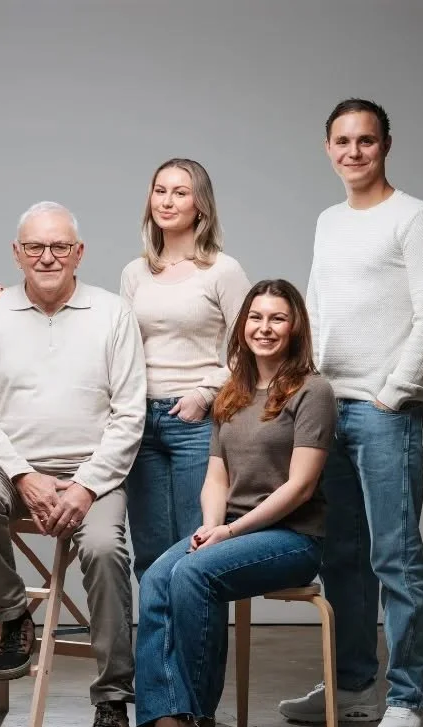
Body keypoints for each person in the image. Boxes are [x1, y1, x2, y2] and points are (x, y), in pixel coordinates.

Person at [279, 98, 423, 727]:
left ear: (385, 145)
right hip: (329, 410)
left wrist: (394, 392)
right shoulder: (329, 221)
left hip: (386, 413)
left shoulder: (414, 219)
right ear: (327, 148)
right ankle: (354, 687)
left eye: (365, 141)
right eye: (341, 141)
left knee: (394, 557)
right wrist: (308, 390)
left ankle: (408, 696)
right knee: (341, 556)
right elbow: (318, 312)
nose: (352, 152)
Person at [0, 201, 146, 727]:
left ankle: (112, 702)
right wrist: (24, 475)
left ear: (79, 253)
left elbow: (129, 415)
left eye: (60, 246)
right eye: (34, 247)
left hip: (94, 472)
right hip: (11, 467)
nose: (47, 256)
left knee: (107, 548)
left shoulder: (113, 313)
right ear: (16, 254)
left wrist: (85, 486)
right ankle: (13, 612)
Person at [134, 279, 335, 727]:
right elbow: (216, 476)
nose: (264, 328)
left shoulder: (313, 391)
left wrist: (229, 533)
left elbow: (301, 487)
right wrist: (209, 527)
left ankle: (198, 719)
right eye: (256, 318)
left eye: (277, 319)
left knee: (194, 574)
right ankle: (166, 718)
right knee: (159, 575)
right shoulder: (233, 392)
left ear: (295, 328)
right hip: (230, 531)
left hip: (291, 538)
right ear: (242, 325)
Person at [121, 158, 251, 582]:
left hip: (194, 421)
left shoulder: (223, 270)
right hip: (140, 423)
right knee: (151, 554)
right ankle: (158, 652)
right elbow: (123, 350)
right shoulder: (135, 273)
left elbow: (248, 348)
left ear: (201, 206)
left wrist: (204, 394)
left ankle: (195, 652)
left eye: (180, 192)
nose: (167, 200)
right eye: (160, 190)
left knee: (197, 550)